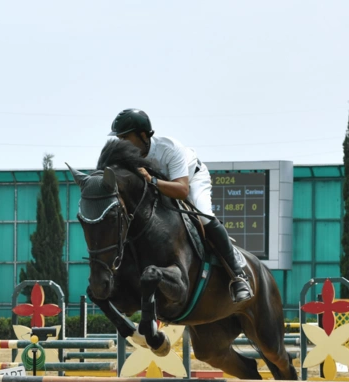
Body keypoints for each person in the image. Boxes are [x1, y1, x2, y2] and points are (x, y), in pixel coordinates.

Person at [108, 108, 253, 303]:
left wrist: (152, 181)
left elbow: (182, 190)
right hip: (159, 188)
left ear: (143, 135)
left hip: (191, 180)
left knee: (203, 215)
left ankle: (238, 276)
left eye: (125, 137)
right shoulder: (126, 155)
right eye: (119, 137)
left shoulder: (169, 148)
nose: (121, 142)